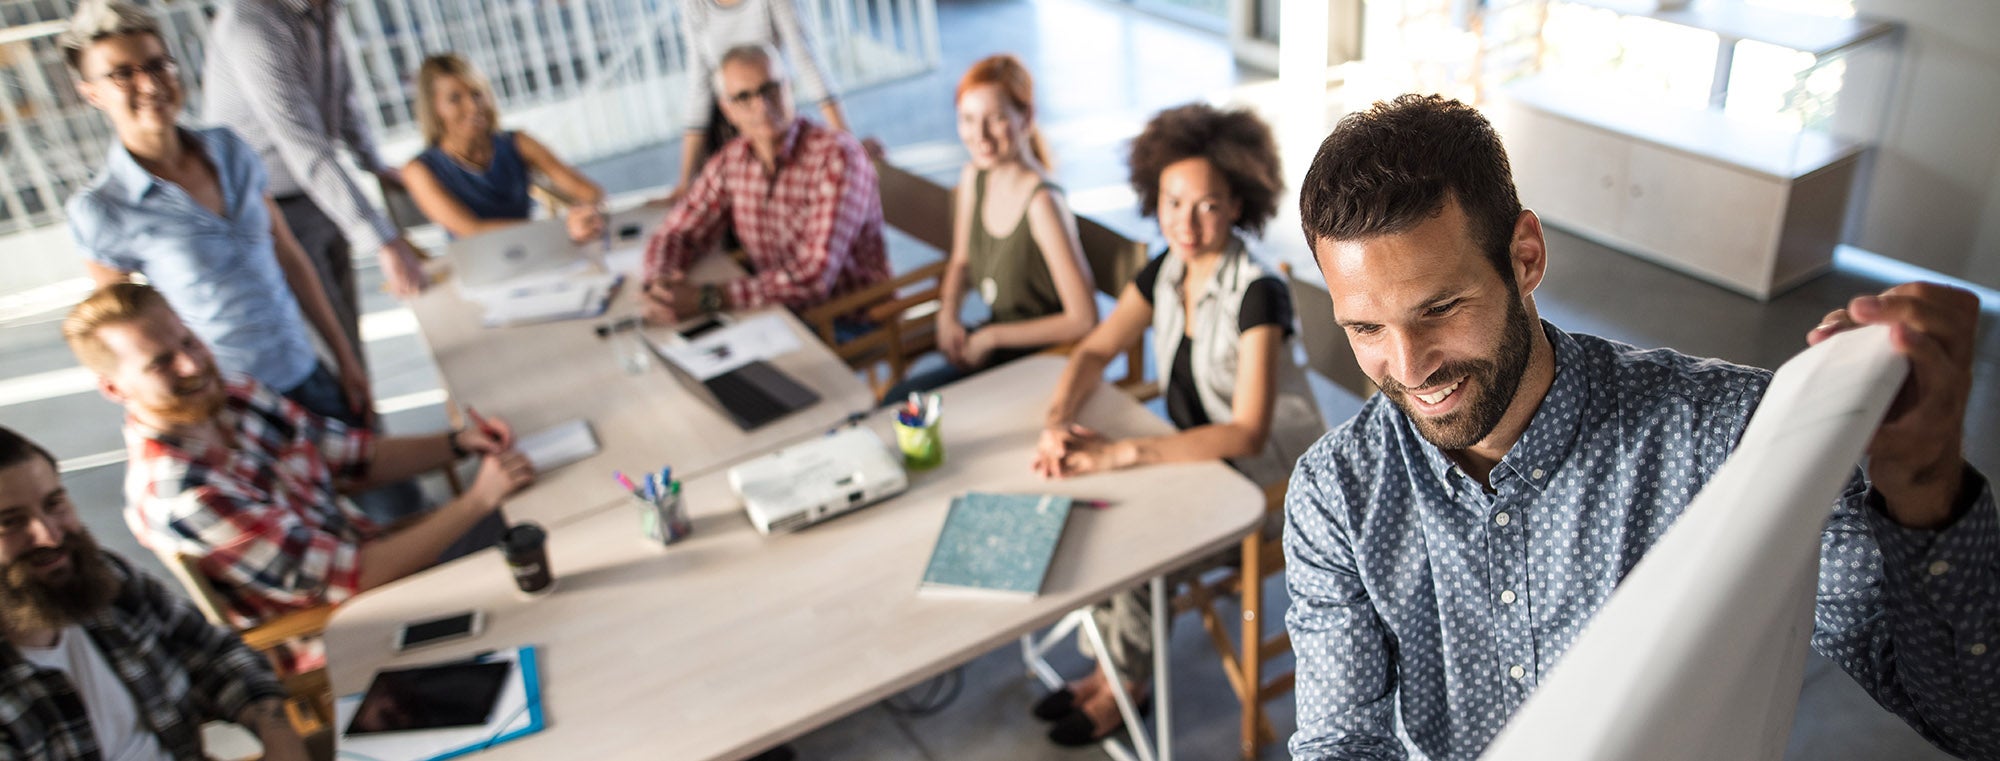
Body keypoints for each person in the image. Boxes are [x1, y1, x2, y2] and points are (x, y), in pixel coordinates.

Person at [1284, 94, 2000, 760]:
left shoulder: (1730, 439)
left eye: (1440, 309)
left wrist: (1926, 486)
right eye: (1366, 327)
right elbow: (1341, 741)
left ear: (1526, 256)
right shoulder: (1335, 492)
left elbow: (1975, 718)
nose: (1409, 367)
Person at [1028, 103, 1326, 746]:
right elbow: (1093, 350)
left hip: (1268, 486)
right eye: (1172, 202)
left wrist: (1123, 454)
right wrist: (1058, 419)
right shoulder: (1165, 267)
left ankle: (1123, 683)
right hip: (1200, 461)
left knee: (1135, 540)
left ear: (1239, 205)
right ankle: (1113, 668)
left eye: (1208, 205)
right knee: (1095, 508)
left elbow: (1247, 432)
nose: (1186, 224)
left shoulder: (1258, 294)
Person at [60, 283, 536, 633]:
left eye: (187, 341)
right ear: (113, 388)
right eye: (161, 362)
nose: (192, 365)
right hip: (350, 624)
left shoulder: (234, 395)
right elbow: (353, 579)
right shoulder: (184, 495)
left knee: (543, 511)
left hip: (379, 556)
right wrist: (476, 500)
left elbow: (351, 457)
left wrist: (458, 444)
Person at [60, 0, 370, 428]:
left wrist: (344, 356)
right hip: (227, 402)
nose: (149, 84)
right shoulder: (102, 209)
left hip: (305, 368)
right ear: (92, 93)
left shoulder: (229, 149)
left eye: (157, 65)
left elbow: (287, 254)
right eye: (123, 74)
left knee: (393, 494)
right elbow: (125, 343)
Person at [0, 425, 311, 761]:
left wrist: (280, 738)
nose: (49, 535)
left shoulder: (103, 578)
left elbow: (215, 653)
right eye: (10, 523)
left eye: (54, 504)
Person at [202, 0, 432, 369]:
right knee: (329, 350)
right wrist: (383, 240)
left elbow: (341, 97)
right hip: (272, 207)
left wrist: (373, 162)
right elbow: (301, 140)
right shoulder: (251, 22)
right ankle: (358, 423)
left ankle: (367, 422)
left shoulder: (323, 9)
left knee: (349, 340)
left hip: (318, 192)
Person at [882, 54, 1097, 400]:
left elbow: (1083, 319)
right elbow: (962, 261)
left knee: (904, 405)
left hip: (1042, 362)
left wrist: (993, 336)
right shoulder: (974, 177)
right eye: (967, 119)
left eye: (995, 118)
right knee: (900, 402)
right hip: (994, 351)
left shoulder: (1042, 204)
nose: (978, 134)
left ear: (1027, 117)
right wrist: (948, 314)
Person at [641, 44, 889, 328]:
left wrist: (707, 298)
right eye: (744, 97)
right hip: (776, 311)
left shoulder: (838, 157)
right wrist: (660, 282)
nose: (761, 105)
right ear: (728, 110)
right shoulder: (732, 159)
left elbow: (814, 277)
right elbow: (678, 231)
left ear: (789, 88)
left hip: (844, 318)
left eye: (770, 89)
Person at [667, 0, 871, 205]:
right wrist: (686, 180)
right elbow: (699, 83)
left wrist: (850, 149)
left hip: (773, 123)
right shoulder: (694, 4)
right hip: (728, 128)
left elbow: (807, 60)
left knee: (788, 205)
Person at [402, 53, 607, 242]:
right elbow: (473, 230)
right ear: (434, 108)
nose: (473, 107)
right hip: (481, 273)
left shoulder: (518, 142)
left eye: (477, 94)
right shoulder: (419, 171)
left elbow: (590, 192)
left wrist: (585, 214)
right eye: (455, 99)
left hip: (539, 253)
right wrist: (562, 229)